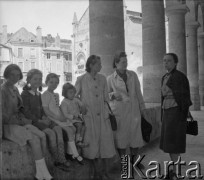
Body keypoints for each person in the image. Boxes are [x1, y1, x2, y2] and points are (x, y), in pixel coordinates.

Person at [1, 64, 53, 180]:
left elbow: (20, 109)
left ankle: (42, 170)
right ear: (6, 75)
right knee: (34, 139)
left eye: (17, 75)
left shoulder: (15, 89)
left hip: (19, 122)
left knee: (41, 134)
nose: (14, 78)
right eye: (11, 75)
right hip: (8, 126)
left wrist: (26, 121)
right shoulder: (2, 90)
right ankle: (41, 174)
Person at [75, 55, 116, 180]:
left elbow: (106, 97)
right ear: (91, 65)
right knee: (92, 147)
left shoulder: (103, 78)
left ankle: (103, 172)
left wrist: (111, 99)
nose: (101, 66)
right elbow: (74, 96)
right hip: (90, 116)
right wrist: (81, 104)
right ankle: (97, 174)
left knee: (104, 146)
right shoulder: (81, 79)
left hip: (103, 116)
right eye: (98, 64)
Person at [21, 69, 70, 171]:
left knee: (58, 129)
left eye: (39, 79)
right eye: (35, 79)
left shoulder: (39, 94)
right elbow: (26, 112)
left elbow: (43, 109)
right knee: (51, 133)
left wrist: (44, 117)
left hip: (43, 120)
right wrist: (40, 120)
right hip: (34, 122)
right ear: (29, 80)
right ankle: (55, 160)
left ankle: (62, 158)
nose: (38, 81)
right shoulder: (25, 94)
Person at [107, 51, 147, 167]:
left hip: (134, 111)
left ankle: (134, 162)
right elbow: (106, 95)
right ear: (116, 63)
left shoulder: (133, 75)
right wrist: (113, 95)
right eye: (123, 62)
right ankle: (125, 163)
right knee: (121, 140)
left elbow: (138, 93)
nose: (125, 64)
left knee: (136, 138)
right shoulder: (110, 79)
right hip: (119, 112)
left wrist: (143, 109)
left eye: (126, 62)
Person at [160, 53, 192, 180]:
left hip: (176, 113)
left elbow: (185, 97)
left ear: (175, 62)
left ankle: (175, 171)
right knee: (169, 143)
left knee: (174, 142)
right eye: (164, 60)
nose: (165, 63)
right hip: (167, 112)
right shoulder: (165, 77)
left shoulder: (179, 77)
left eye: (168, 60)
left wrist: (182, 115)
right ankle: (173, 170)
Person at [41, 73, 84, 165]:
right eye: (51, 82)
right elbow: (46, 110)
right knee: (69, 130)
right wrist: (58, 117)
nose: (54, 84)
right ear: (46, 82)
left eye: (56, 83)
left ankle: (69, 152)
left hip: (59, 116)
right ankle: (75, 154)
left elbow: (57, 107)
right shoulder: (45, 95)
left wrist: (63, 116)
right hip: (52, 118)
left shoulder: (56, 94)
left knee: (73, 128)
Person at [60, 82, 88, 147]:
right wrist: (74, 117)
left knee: (84, 127)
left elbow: (81, 104)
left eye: (73, 92)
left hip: (77, 118)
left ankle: (80, 140)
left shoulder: (75, 99)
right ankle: (77, 141)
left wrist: (82, 105)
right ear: (65, 93)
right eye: (70, 93)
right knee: (79, 125)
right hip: (70, 120)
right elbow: (65, 114)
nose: (73, 94)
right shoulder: (64, 102)